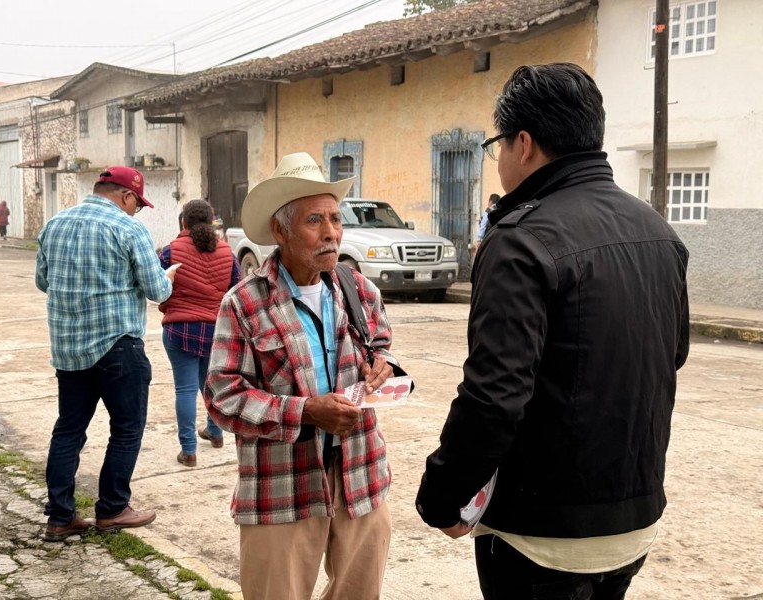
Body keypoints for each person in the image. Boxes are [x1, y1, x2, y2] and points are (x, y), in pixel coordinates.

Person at [415, 63, 690, 599]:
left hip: (541, 534)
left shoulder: (520, 239)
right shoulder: (658, 230)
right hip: (634, 519)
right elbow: (671, 354)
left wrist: (442, 496)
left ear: (523, 144)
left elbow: (494, 396)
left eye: (496, 145)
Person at [205, 152, 405, 600]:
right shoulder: (244, 303)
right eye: (315, 220)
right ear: (281, 231)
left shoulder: (359, 288)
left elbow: (381, 345)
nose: (331, 232)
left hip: (360, 476)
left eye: (335, 218)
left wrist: (383, 363)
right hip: (283, 484)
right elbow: (222, 396)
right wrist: (307, 412)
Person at [35, 166, 176, 542]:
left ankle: (60, 517)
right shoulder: (129, 229)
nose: (136, 211)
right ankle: (112, 509)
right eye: (137, 204)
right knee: (126, 429)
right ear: (126, 196)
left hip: (69, 349)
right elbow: (156, 290)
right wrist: (169, 277)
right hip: (118, 346)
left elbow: (43, 281)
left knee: (68, 430)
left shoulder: (54, 225)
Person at [158, 199, 241, 467]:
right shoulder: (227, 252)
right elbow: (238, 289)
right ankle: (215, 432)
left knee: (184, 389)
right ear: (211, 221)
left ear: (183, 222)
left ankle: (189, 450)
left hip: (179, 329)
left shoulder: (170, 251)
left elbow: (156, 285)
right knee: (210, 385)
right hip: (216, 330)